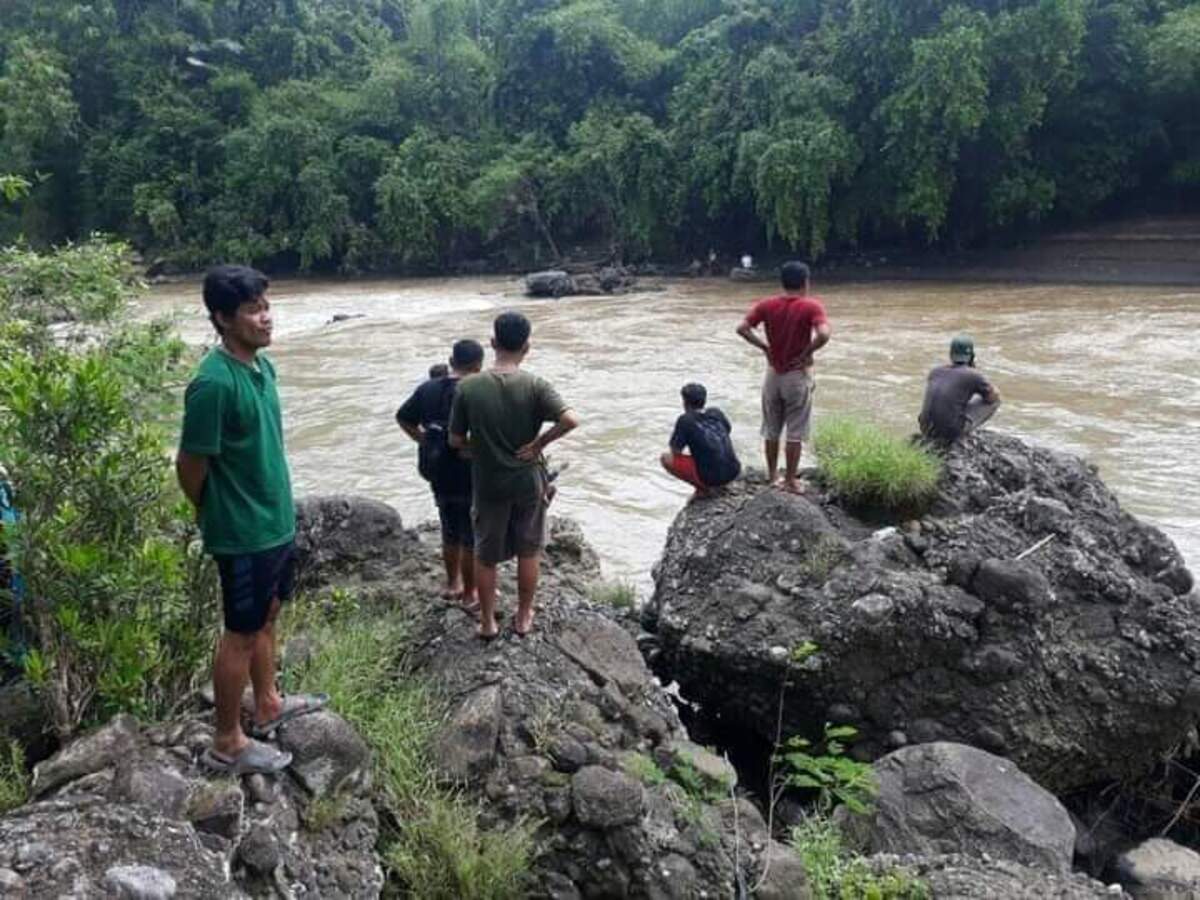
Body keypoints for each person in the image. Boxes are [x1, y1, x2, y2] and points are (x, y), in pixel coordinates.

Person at [177, 265, 326, 777]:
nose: (266, 318)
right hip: (242, 532)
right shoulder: (213, 384)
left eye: (267, 306)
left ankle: (268, 703)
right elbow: (191, 465)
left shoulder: (263, 369)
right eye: (252, 310)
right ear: (222, 318)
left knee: (267, 616)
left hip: (275, 522)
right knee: (239, 632)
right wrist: (212, 510)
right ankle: (228, 742)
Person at [449, 312, 578, 640]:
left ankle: (488, 622)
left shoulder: (468, 387)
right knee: (529, 550)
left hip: (488, 483)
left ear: (493, 343)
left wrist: (479, 448)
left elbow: (455, 441)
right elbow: (570, 420)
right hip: (527, 481)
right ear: (527, 346)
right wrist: (539, 443)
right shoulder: (535, 385)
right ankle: (523, 616)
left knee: (486, 554)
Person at [396, 340, 484, 609]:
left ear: (451, 360)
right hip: (470, 471)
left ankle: (452, 584)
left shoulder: (427, 389)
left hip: (437, 469)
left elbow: (403, 417)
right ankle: (470, 593)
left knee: (449, 529)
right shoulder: (478, 390)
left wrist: (423, 440)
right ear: (478, 366)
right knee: (470, 536)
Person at [737, 261, 832, 493]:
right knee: (795, 432)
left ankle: (772, 477)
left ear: (782, 282)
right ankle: (790, 481)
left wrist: (764, 347)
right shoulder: (811, 306)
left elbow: (742, 328)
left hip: (772, 374)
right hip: (797, 375)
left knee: (771, 429)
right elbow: (824, 334)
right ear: (806, 282)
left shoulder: (767, 305)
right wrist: (807, 353)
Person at [660, 383, 741, 499]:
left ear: (684, 402)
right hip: (734, 471)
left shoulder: (685, 420)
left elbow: (675, 450)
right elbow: (727, 430)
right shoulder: (716, 412)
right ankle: (720, 482)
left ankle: (704, 488)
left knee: (666, 458)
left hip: (712, 478)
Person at [918, 335, 1001, 444]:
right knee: (995, 401)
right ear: (971, 356)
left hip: (925, 428)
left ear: (951, 355)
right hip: (949, 433)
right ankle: (963, 434)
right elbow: (993, 397)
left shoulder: (935, 371)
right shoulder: (973, 375)